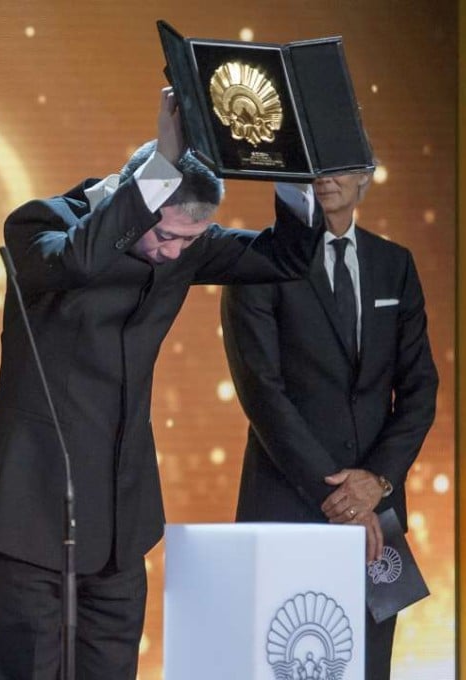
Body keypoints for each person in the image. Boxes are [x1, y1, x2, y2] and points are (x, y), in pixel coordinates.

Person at [0, 87, 326, 679]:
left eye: (189, 242)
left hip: (121, 527)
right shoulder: (41, 225)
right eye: (165, 235)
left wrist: (292, 174)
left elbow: (284, 259)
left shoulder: (186, 250)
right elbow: (75, 261)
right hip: (25, 514)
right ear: (137, 197)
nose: (173, 254)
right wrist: (162, 167)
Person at [221, 167, 438, 679]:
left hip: (378, 518)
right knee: (278, 663)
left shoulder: (395, 264)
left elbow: (419, 388)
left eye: (340, 163)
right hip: (285, 507)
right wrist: (341, 497)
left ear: (366, 175)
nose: (325, 177)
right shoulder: (256, 261)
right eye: (313, 163)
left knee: (369, 667)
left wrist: (377, 481)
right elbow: (262, 393)